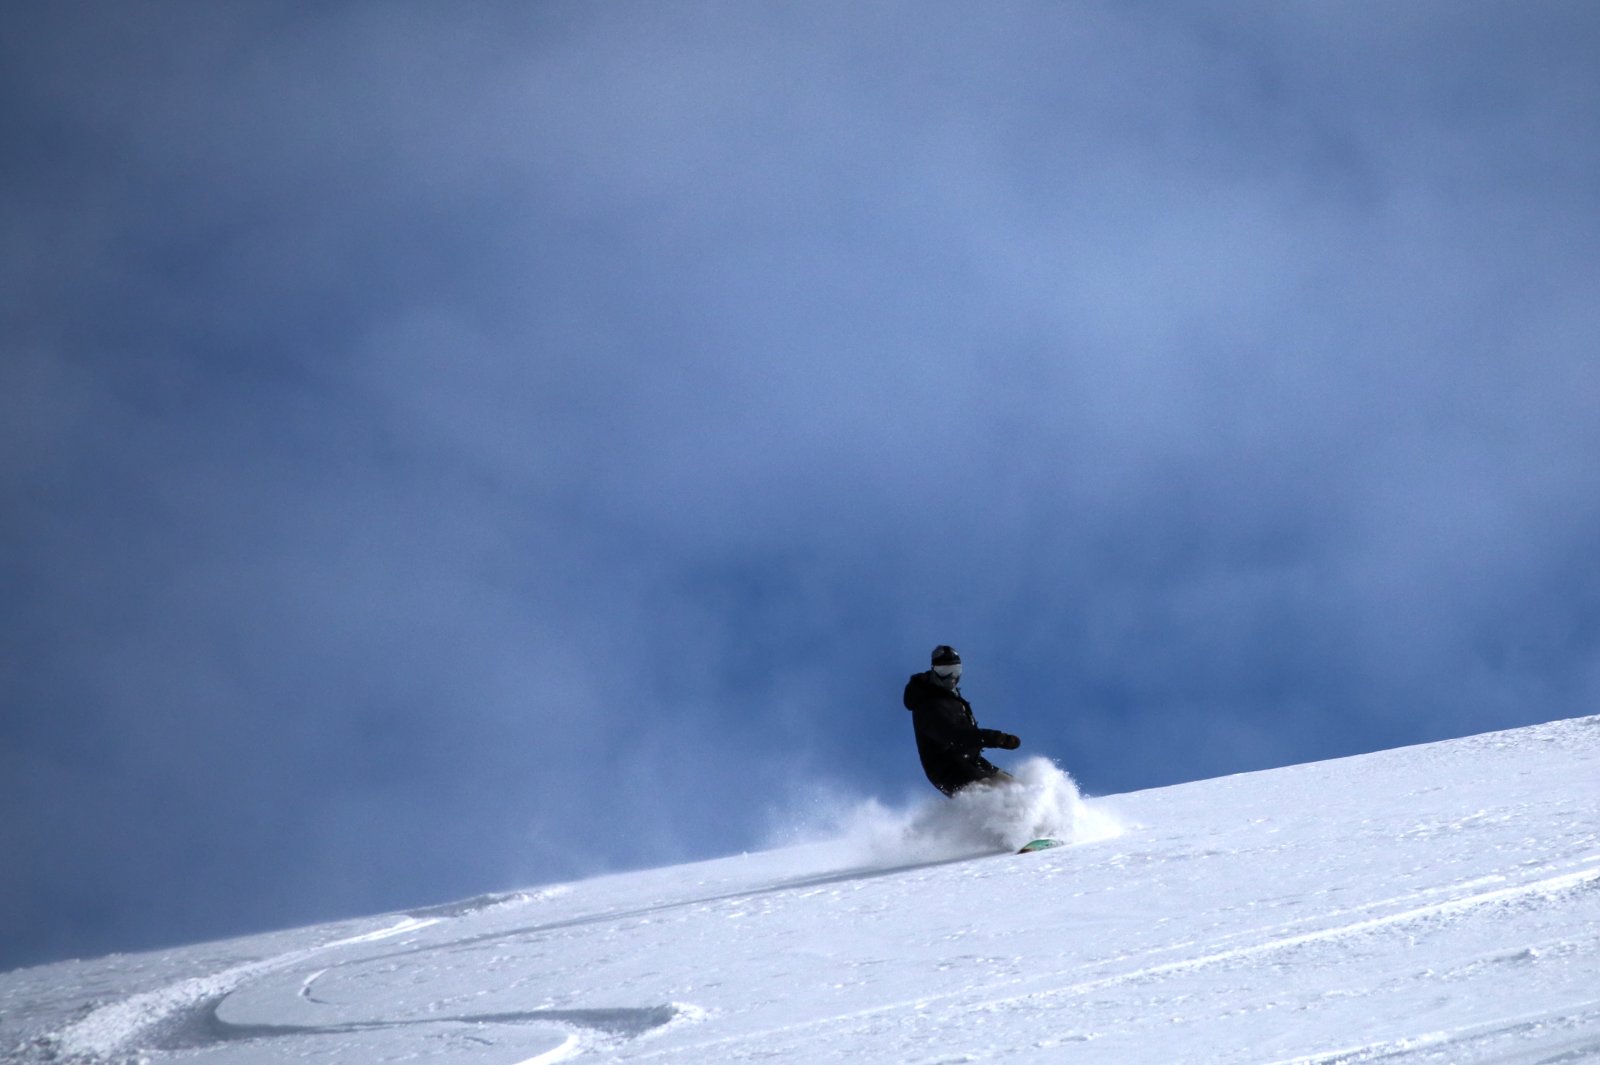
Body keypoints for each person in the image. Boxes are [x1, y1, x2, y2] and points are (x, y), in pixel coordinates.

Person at [903, 645, 1021, 796]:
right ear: (934, 671)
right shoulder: (928, 706)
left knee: (1016, 787)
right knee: (995, 795)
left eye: (955, 671)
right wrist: (995, 738)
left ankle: (1047, 815)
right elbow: (954, 735)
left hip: (972, 762)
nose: (951, 677)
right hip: (950, 772)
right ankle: (1001, 817)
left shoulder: (949, 697)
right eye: (944, 672)